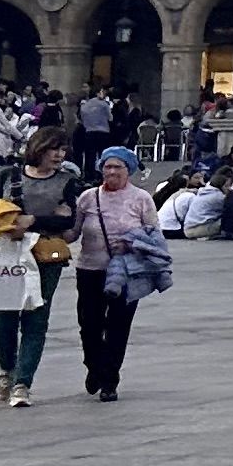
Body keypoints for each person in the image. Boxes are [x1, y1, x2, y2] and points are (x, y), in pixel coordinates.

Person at [70, 147, 166, 401]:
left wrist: (130, 243)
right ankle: (94, 365)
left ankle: (110, 379)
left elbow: (154, 236)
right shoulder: (88, 198)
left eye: (118, 167)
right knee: (88, 325)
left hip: (127, 272)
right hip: (90, 268)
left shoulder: (142, 198)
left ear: (129, 170)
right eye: (107, 166)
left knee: (118, 326)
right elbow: (74, 232)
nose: (111, 172)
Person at [0, 196, 48, 410]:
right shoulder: (7, 176)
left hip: (46, 255)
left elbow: (68, 221)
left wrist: (32, 220)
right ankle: (6, 370)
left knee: (36, 321)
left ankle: (22, 383)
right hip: (4, 253)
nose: (58, 159)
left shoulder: (66, 179)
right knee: (3, 322)